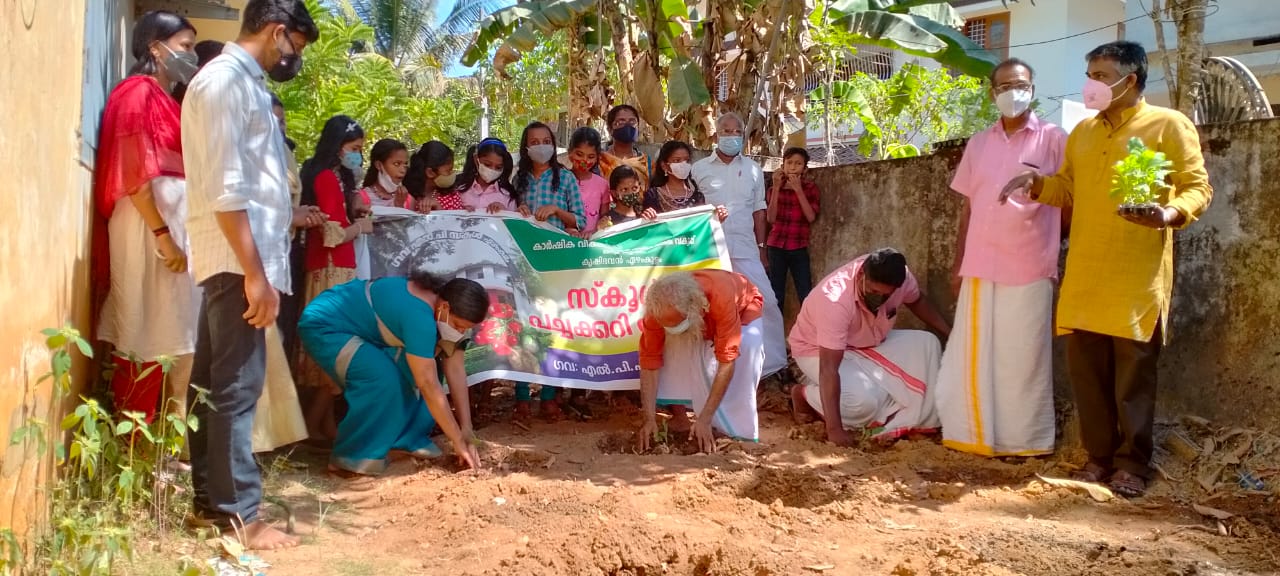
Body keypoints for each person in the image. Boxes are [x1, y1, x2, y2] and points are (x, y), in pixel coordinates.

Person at [999, 41, 1212, 497]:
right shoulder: (1083, 132)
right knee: (1088, 376)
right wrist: (1036, 184)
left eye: (1100, 76)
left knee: (1133, 377)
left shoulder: (1169, 124)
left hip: (1136, 275)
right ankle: (1097, 458)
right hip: (1085, 273)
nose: (1090, 84)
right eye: (1089, 74)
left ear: (1129, 80)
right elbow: (1068, 190)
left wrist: (1168, 214)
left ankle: (1132, 464)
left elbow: (1197, 188)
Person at [180, 0, 319, 549]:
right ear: (277, 32)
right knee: (236, 389)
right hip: (238, 262)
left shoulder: (242, 85)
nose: (292, 58)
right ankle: (240, 516)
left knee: (214, 387)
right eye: (295, 47)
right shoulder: (224, 84)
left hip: (239, 260)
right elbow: (228, 188)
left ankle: (210, 505)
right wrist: (254, 274)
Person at [936, 58, 1068, 459]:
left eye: (1021, 85)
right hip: (980, 265)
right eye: (1006, 86)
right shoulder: (978, 144)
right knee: (976, 355)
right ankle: (973, 434)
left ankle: (1024, 441)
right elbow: (968, 208)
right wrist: (958, 264)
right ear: (993, 93)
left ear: (1033, 89)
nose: (1014, 93)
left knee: (1023, 356)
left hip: (1030, 265)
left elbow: (1069, 199)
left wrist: (1051, 242)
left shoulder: (1054, 139)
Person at [93, 11, 199, 435]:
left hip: (166, 232)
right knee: (142, 329)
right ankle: (134, 438)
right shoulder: (136, 94)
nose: (191, 56)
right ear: (156, 47)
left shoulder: (166, 100)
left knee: (167, 331)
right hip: (146, 229)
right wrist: (163, 235)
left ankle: (159, 442)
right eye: (185, 46)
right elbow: (135, 177)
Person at [298, 272, 486, 475]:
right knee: (382, 378)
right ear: (445, 307)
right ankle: (351, 457)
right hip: (325, 325)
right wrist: (456, 440)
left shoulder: (441, 309)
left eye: (466, 329)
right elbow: (427, 383)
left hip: (360, 330)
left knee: (420, 368)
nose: (460, 332)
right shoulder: (419, 316)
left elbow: (455, 368)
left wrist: (466, 429)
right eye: (458, 326)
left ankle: (404, 440)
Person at [788, 249, 952, 446]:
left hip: (868, 342)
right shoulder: (834, 300)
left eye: (886, 295)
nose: (879, 299)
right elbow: (828, 369)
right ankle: (804, 395)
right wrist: (835, 430)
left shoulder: (901, 277)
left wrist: (949, 333)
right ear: (861, 275)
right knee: (862, 403)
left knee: (928, 343)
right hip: (819, 350)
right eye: (874, 292)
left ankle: (916, 421)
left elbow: (917, 301)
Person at [692, 113, 787, 378]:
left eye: (737, 132)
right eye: (726, 131)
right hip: (710, 249)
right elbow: (692, 209)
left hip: (746, 247)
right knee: (710, 306)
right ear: (716, 134)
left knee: (766, 301)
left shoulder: (754, 170)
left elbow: (759, 210)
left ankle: (773, 365)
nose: (732, 136)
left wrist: (762, 248)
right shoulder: (699, 169)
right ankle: (711, 369)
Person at [297, 115, 373, 441]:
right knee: (335, 348)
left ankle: (324, 426)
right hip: (331, 268)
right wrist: (360, 227)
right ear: (338, 146)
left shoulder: (333, 177)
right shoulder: (327, 178)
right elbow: (332, 234)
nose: (358, 155)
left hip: (333, 266)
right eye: (354, 148)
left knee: (332, 349)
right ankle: (313, 425)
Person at [637, 270, 767, 452]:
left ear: (694, 310)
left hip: (742, 313)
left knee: (748, 348)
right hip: (702, 319)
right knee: (670, 348)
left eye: (677, 324)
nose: (673, 330)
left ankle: (738, 434)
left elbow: (727, 362)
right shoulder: (656, 311)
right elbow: (649, 362)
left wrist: (704, 419)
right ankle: (680, 417)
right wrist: (649, 419)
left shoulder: (721, 296)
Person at [765, 147, 821, 314]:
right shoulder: (773, 188)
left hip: (798, 246)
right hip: (776, 246)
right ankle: (776, 328)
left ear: (805, 169)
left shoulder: (810, 188)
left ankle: (809, 326)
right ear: (783, 166)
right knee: (776, 293)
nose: (793, 167)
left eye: (798, 164)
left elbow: (810, 217)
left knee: (805, 292)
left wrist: (798, 190)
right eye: (789, 163)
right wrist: (776, 188)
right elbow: (771, 218)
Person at [515, 122, 585, 233]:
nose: (541, 146)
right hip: (525, 240)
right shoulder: (519, 179)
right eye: (534, 142)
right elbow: (510, 215)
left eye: (546, 142)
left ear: (553, 145)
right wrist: (518, 211)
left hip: (556, 242)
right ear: (526, 148)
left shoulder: (566, 177)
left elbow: (580, 222)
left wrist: (556, 210)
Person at [450, 138, 519, 213]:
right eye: (487, 164)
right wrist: (460, 210)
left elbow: (513, 219)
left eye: (498, 167)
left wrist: (504, 211)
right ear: (476, 160)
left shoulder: (508, 195)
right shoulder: (459, 189)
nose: (492, 170)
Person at [568, 127, 610, 235]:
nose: (585, 161)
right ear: (570, 152)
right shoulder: (560, 179)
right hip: (562, 240)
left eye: (591, 157)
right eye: (579, 154)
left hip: (592, 241)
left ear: (597, 158)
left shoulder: (602, 184)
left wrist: (594, 232)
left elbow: (604, 218)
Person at [599, 104, 651, 188]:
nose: (627, 125)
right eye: (621, 122)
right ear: (610, 129)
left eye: (632, 121)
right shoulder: (600, 161)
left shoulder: (647, 163)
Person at [403, 140, 457, 213]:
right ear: (430, 172)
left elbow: (457, 219)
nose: (451, 174)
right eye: (448, 171)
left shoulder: (452, 196)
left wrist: (438, 208)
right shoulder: (405, 194)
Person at [359, 139, 411, 210]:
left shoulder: (408, 199)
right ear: (378, 165)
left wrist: (400, 205)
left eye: (405, 164)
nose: (403, 170)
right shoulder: (360, 198)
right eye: (397, 164)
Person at [598, 165, 644, 229]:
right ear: (614, 193)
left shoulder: (644, 213)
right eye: (624, 190)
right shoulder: (608, 220)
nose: (630, 193)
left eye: (634, 188)